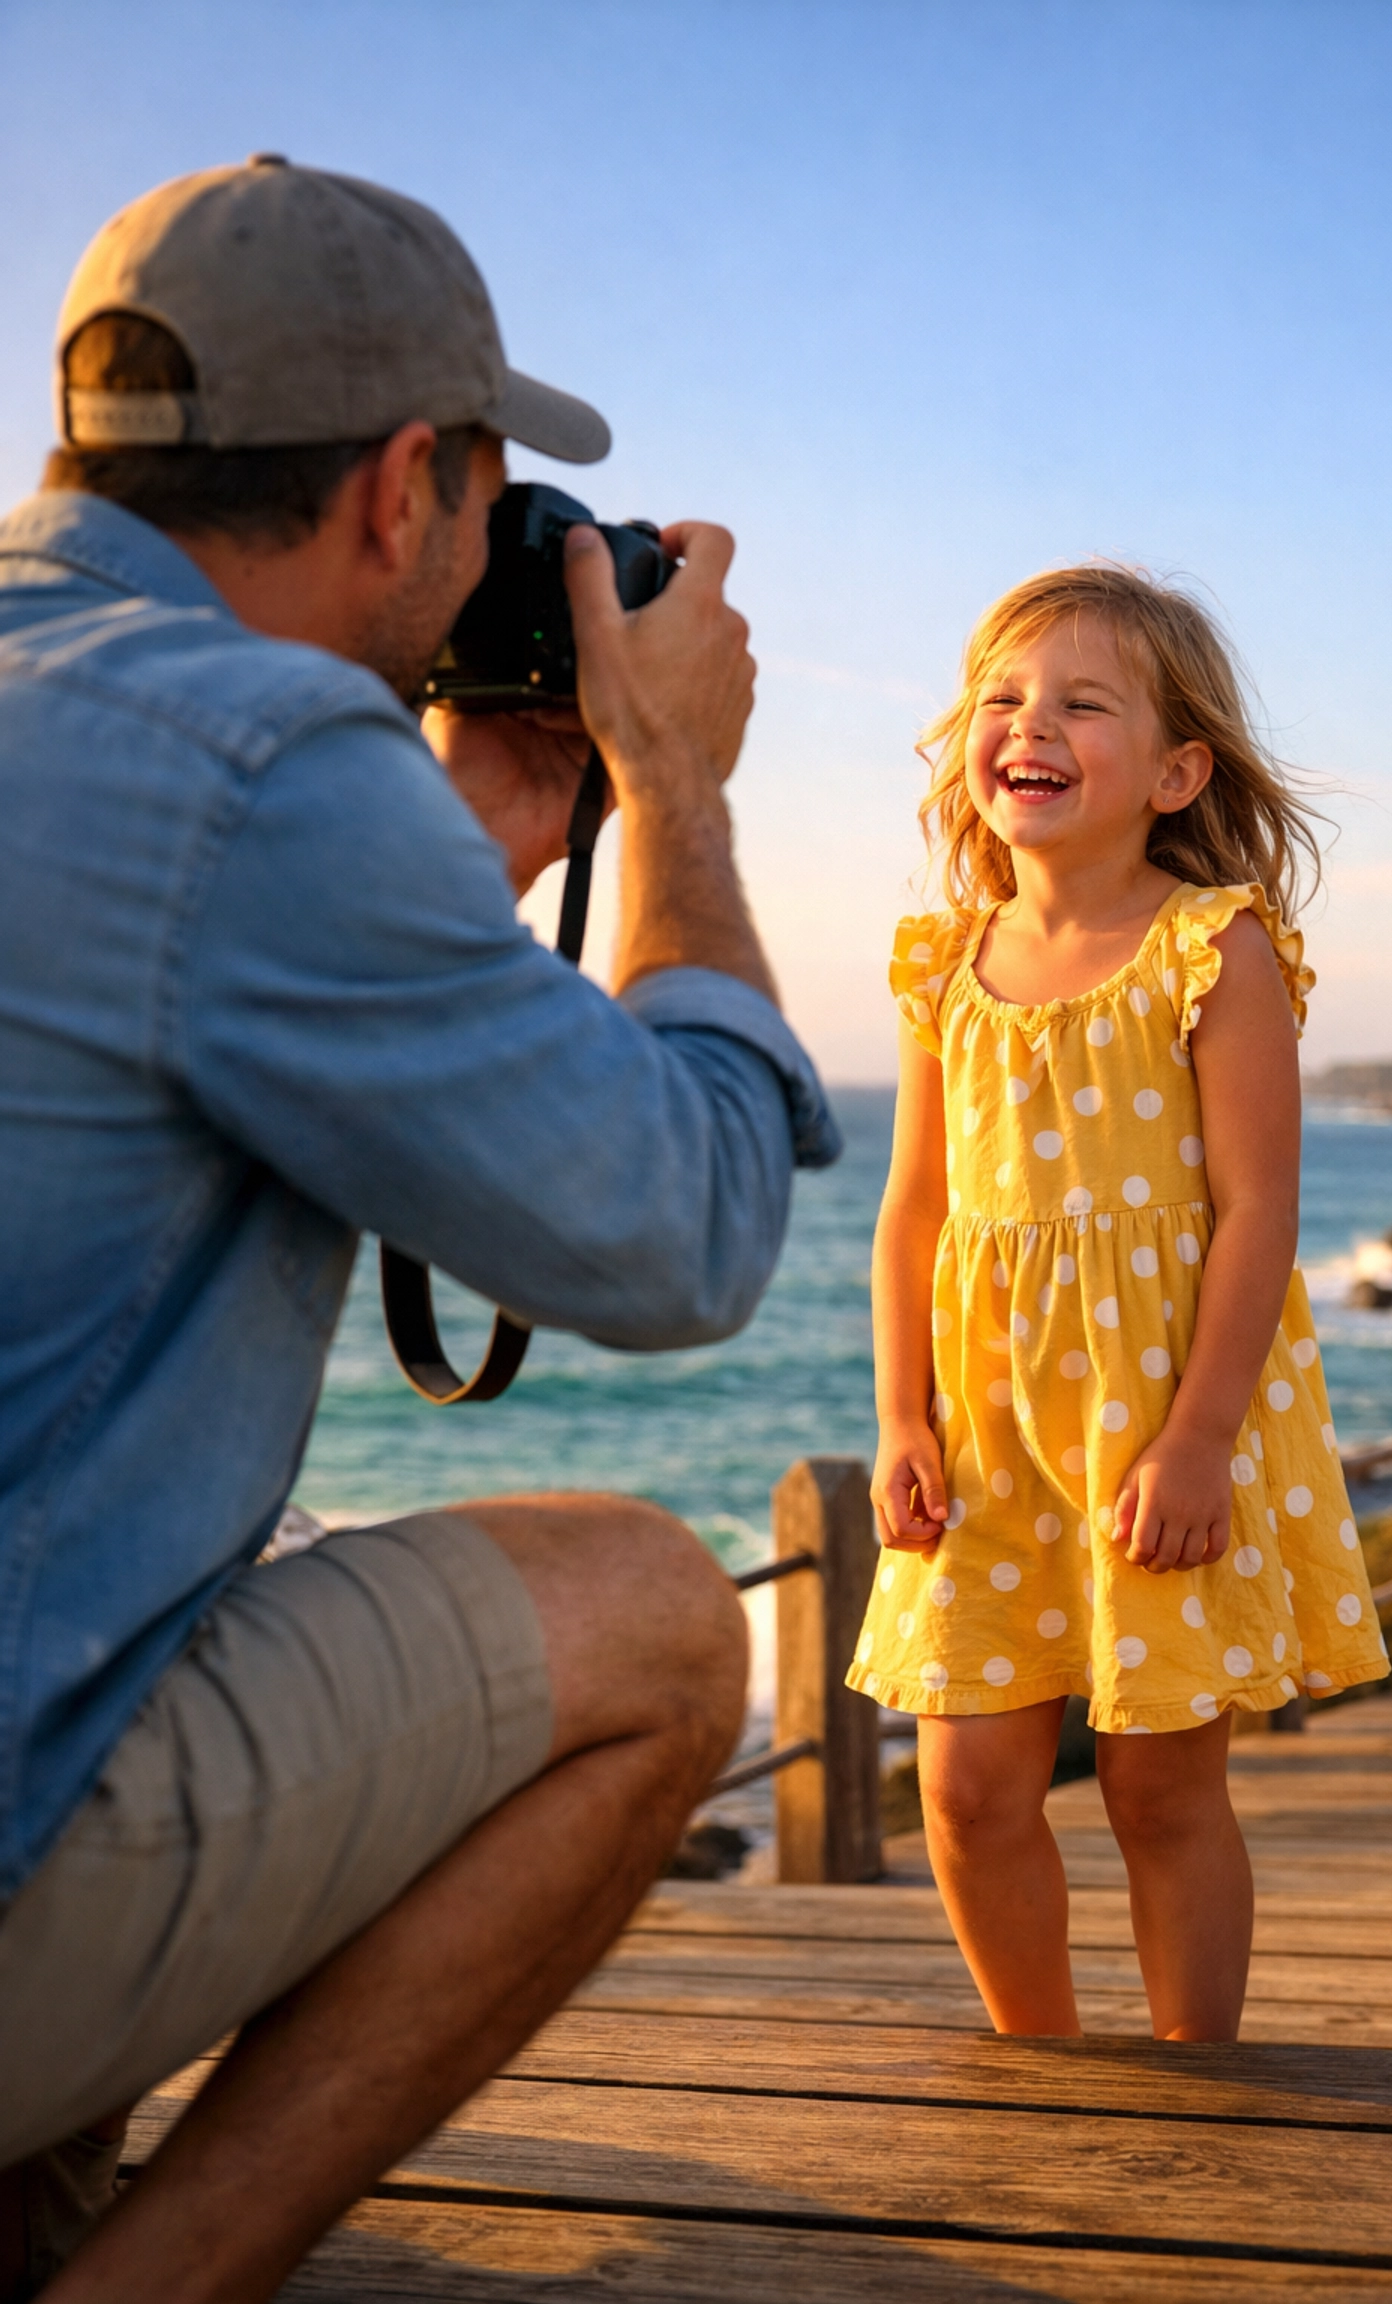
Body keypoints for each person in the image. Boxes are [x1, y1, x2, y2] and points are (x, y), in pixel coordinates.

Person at [0, 159, 838, 2302]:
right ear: (402, 491)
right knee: (660, 1622)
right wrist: (679, 800)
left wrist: (465, 845)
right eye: (487, 497)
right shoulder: (263, 756)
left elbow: (185, 1016)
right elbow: (682, 1237)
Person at [850, 565, 1387, 2042]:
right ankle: (1042, 2060)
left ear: (1174, 771)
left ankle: (1193, 2073)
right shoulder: (941, 963)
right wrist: (901, 1416)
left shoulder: (1214, 949)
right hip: (988, 1433)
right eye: (1004, 699)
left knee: (1160, 1785)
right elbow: (915, 1213)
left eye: (1083, 702)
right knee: (964, 1790)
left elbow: (1259, 1214)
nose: (1031, 724)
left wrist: (1203, 1437)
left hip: (1161, 1420)